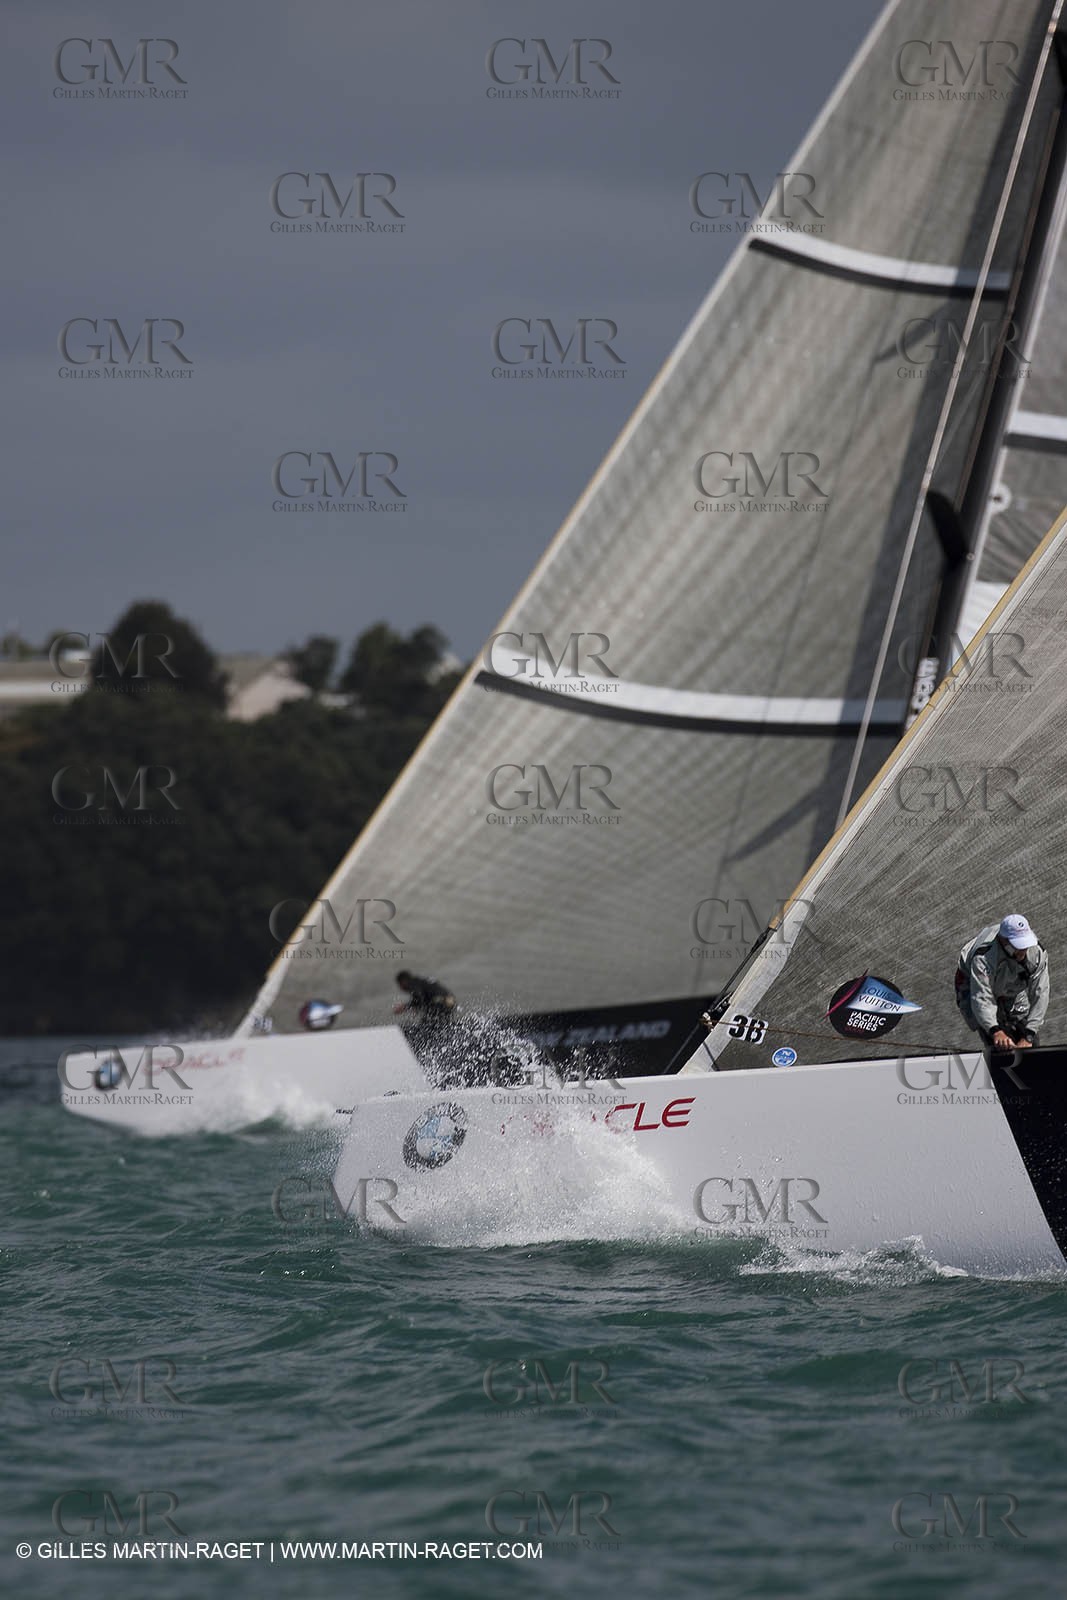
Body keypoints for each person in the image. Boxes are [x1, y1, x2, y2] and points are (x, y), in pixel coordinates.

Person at [955, 914, 1049, 1051]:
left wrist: (1029, 1035)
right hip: (973, 982)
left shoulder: (1037, 953)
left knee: (1027, 1031)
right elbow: (982, 998)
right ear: (1003, 940)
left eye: (1025, 944)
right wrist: (996, 1031)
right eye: (1018, 945)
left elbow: (1041, 993)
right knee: (997, 1039)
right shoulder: (983, 957)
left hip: (1012, 981)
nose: (1023, 950)